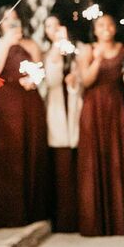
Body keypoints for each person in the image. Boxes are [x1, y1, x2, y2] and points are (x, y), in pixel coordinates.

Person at [0, 7, 50, 228]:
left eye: (16, 19)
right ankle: (8, 212)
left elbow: (40, 71)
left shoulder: (31, 44)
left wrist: (34, 80)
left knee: (31, 149)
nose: (13, 24)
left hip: (29, 100)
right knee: (9, 150)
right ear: (0, 24)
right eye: (7, 20)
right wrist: (7, 44)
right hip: (7, 101)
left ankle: (33, 209)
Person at [77, 14, 124, 236]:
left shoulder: (123, 48)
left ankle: (122, 221)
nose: (106, 28)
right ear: (95, 30)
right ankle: (96, 223)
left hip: (116, 107)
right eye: (101, 25)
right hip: (93, 108)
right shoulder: (88, 50)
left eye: (110, 24)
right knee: (93, 160)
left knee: (117, 158)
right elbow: (85, 81)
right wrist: (97, 59)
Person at [43, 15, 82, 233]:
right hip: (57, 112)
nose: (53, 29)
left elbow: (79, 76)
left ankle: (80, 218)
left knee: (77, 168)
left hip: (74, 110)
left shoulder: (73, 49)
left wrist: (75, 84)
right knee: (62, 171)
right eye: (48, 26)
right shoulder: (47, 53)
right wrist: (57, 48)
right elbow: (52, 80)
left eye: (57, 24)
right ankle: (65, 221)